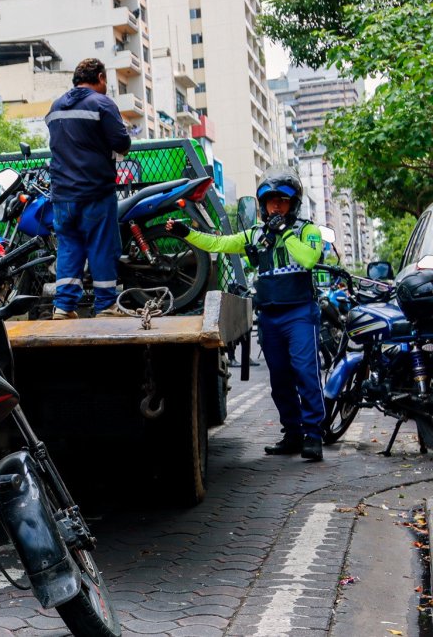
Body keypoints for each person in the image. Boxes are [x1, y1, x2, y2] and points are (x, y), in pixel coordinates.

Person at [167, 166, 325, 461]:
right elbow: (218, 244)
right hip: (270, 317)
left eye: (283, 201)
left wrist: (284, 234)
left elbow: (308, 260)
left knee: (306, 373)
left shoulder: (307, 231)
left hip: (300, 314)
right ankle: (292, 433)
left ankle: (313, 435)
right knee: (279, 378)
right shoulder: (254, 235)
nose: (276, 206)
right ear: (263, 205)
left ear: (293, 204)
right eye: (270, 201)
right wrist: (185, 233)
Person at [45, 58, 132, 320]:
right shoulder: (102, 104)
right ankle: (105, 305)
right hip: (95, 191)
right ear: (101, 77)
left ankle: (64, 307)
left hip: (62, 195)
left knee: (69, 247)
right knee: (101, 245)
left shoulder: (56, 106)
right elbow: (121, 143)